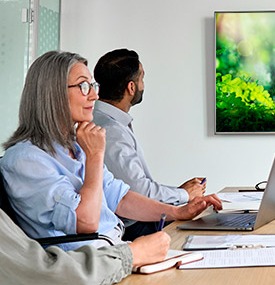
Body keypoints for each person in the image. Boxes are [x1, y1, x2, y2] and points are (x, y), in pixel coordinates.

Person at [0, 51, 222, 251]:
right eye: (83, 86)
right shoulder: (25, 160)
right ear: (53, 94)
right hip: (87, 266)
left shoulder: (75, 148)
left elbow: (120, 198)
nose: (94, 96)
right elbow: (86, 222)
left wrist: (178, 212)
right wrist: (95, 156)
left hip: (114, 252)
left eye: (92, 86)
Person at [92, 48, 205, 240]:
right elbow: (138, 191)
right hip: (134, 228)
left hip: (134, 221)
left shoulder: (104, 120)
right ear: (131, 88)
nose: (143, 84)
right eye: (141, 78)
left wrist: (179, 193)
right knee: (202, 226)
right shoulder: (112, 131)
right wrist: (184, 195)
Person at [0, 208, 169, 284]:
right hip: (96, 261)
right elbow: (48, 274)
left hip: (107, 255)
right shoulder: (26, 159)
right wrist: (132, 254)